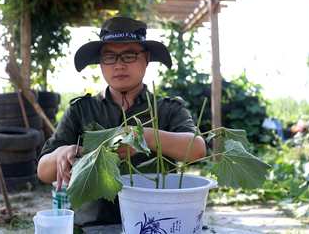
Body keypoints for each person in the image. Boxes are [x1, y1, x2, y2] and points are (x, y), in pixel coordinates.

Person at [37, 16, 206, 227]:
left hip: (155, 224)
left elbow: (198, 149)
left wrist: (146, 137)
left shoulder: (167, 109)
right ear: (100, 63)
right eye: (109, 57)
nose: (119, 65)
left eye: (129, 55)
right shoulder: (81, 110)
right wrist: (60, 154)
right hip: (93, 226)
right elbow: (43, 171)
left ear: (146, 59)